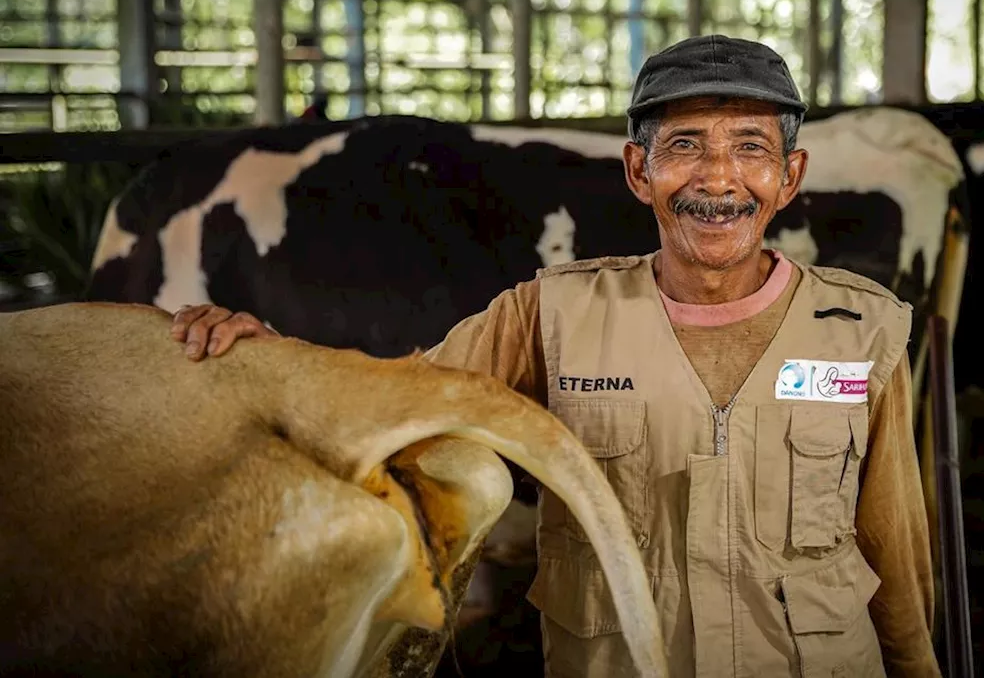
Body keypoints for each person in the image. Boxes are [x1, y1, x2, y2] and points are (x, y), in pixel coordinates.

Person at [170, 35, 940, 678]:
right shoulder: (551, 312)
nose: (717, 177)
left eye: (750, 148)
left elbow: (893, 548)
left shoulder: (860, 328)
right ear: (640, 173)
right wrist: (269, 354)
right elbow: (398, 397)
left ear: (788, 178)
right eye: (684, 147)